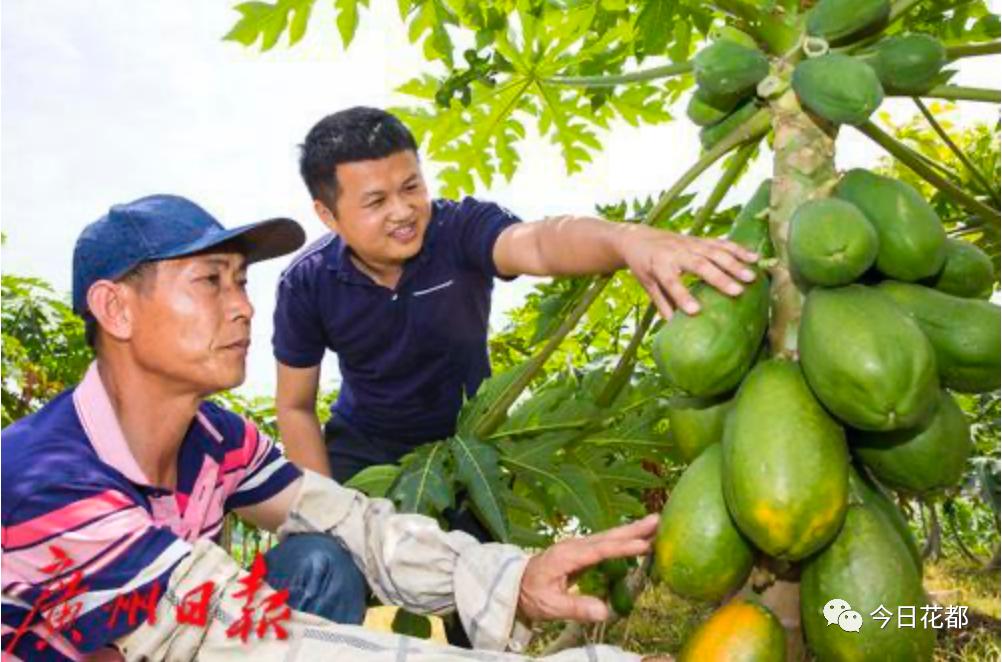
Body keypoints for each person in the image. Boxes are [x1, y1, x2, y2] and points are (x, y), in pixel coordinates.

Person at [0, 194, 665, 661]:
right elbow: (239, 636)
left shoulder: (219, 441)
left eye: (241, 281)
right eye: (210, 281)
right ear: (114, 308)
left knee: (319, 559)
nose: (243, 308)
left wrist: (508, 578)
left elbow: (355, 522)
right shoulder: (45, 480)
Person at [271, 107, 759, 643]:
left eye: (411, 186)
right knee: (325, 573)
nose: (403, 210)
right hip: (364, 450)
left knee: (484, 604)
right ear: (328, 213)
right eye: (375, 201)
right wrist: (325, 504)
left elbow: (540, 242)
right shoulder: (307, 283)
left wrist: (626, 241)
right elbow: (295, 405)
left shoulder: (458, 230)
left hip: (466, 449)